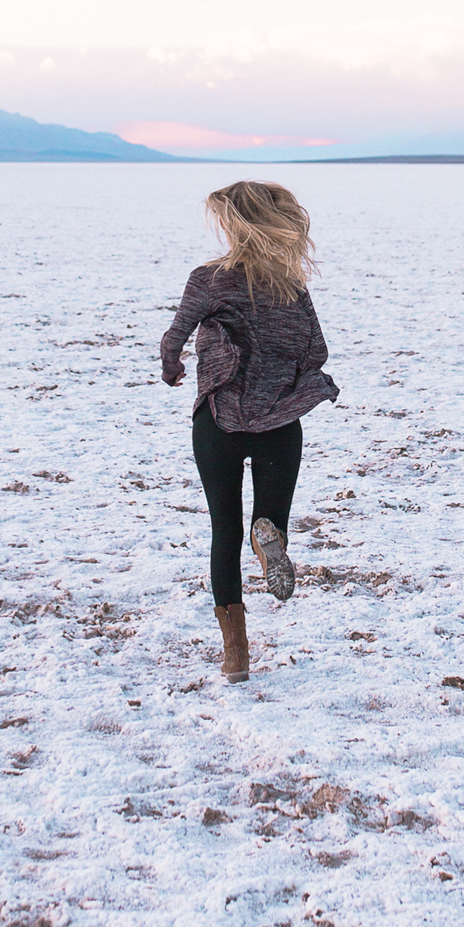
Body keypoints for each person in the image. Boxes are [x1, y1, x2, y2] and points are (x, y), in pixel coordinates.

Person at [160, 181, 339, 684]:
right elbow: (315, 349)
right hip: (281, 421)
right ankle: (269, 545)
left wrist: (175, 366)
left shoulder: (208, 279)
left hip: (220, 419)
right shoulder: (291, 287)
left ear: (232, 223)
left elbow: (173, 338)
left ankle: (236, 655)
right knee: (269, 521)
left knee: (224, 529)